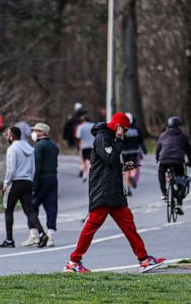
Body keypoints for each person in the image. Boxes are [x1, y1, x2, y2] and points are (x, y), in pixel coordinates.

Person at [66, 113, 165, 274]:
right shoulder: (102, 137)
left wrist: (122, 167)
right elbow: (110, 158)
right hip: (103, 192)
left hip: (114, 194)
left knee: (129, 226)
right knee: (91, 226)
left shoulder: (109, 138)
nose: (125, 133)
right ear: (118, 126)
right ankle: (73, 261)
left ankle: (144, 259)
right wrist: (119, 140)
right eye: (124, 130)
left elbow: (110, 165)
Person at [0, 127, 47, 248]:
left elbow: (11, 169)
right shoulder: (30, 148)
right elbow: (33, 168)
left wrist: (6, 183)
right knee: (29, 210)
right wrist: (30, 180)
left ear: (12, 136)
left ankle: (9, 239)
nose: (7, 136)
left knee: (8, 210)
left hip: (15, 183)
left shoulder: (12, 149)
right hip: (27, 182)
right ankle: (41, 233)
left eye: (8, 134)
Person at [27, 122, 59, 247]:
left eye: (36, 130)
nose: (34, 133)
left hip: (41, 179)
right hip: (53, 178)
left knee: (32, 206)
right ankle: (51, 235)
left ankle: (34, 234)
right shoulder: (54, 146)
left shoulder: (39, 147)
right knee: (51, 206)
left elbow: (37, 166)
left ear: (42, 133)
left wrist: (33, 184)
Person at [155, 116, 191, 215]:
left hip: (164, 159)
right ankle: (179, 204)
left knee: (161, 172)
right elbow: (189, 150)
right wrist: (190, 161)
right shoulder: (183, 136)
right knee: (181, 180)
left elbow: (158, 149)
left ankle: (164, 193)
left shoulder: (162, 135)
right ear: (179, 125)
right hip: (178, 161)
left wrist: (157, 159)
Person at [121, 113, 146, 196]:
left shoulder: (123, 129)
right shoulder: (137, 129)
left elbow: (120, 141)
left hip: (125, 152)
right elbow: (141, 141)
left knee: (127, 169)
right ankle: (132, 176)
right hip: (134, 151)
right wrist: (144, 150)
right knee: (133, 167)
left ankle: (128, 188)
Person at [75, 115, 95, 181]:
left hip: (83, 146)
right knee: (90, 160)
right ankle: (89, 174)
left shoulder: (80, 126)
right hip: (92, 145)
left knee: (84, 160)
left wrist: (78, 146)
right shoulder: (93, 125)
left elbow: (78, 137)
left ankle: (85, 175)